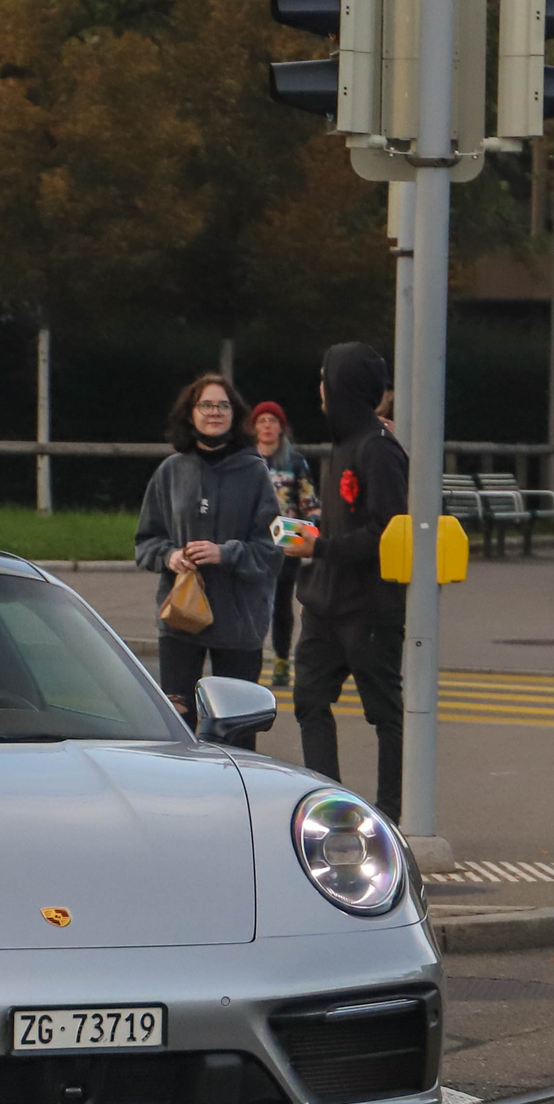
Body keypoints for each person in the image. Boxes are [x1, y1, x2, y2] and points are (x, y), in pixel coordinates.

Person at [293, 342, 408, 819]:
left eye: (324, 376)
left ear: (341, 385)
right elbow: (350, 526)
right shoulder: (342, 442)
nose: (318, 386)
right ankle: (332, 807)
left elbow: (389, 533)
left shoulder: (378, 450)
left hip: (368, 608)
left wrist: (319, 547)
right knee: (308, 702)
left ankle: (391, 812)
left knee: (384, 713)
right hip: (323, 602)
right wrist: (316, 536)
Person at [134, 373, 281, 741]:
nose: (214, 412)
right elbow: (146, 542)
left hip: (239, 623)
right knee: (177, 725)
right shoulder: (171, 471)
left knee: (236, 732)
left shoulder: (255, 473)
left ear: (235, 414)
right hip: (181, 620)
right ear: (190, 413)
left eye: (223, 405)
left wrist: (225, 553)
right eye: (206, 405)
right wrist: (170, 557)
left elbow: (271, 551)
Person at [252, 399, 316, 688]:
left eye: (272, 421)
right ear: (254, 427)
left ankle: (280, 660)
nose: (267, 426)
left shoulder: (295, 462)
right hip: (252, 538)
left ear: (281, 427)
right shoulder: (245, 459)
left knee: (281, 602)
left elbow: (308, 502)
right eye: (262, 421)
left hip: (285, 537)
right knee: (253, 601)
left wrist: (314, 532)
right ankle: (249, 657)